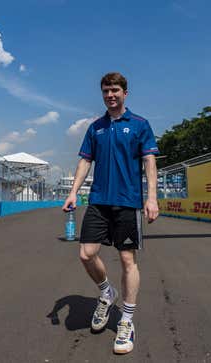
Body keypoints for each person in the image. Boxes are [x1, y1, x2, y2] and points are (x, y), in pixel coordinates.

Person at [62, 72, 159, 354]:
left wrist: (151, 198)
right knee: (86, 253)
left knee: (127, 259)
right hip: (99, 200)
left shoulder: (140, 124)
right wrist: (73, 192)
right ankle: (107, 292)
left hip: (128, 202)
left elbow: (149, 161)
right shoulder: (96, 127)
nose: (110, 95)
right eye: (106, 91)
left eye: (115, 90)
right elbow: (85, 161)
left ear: (125, 93)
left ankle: (127, 320)